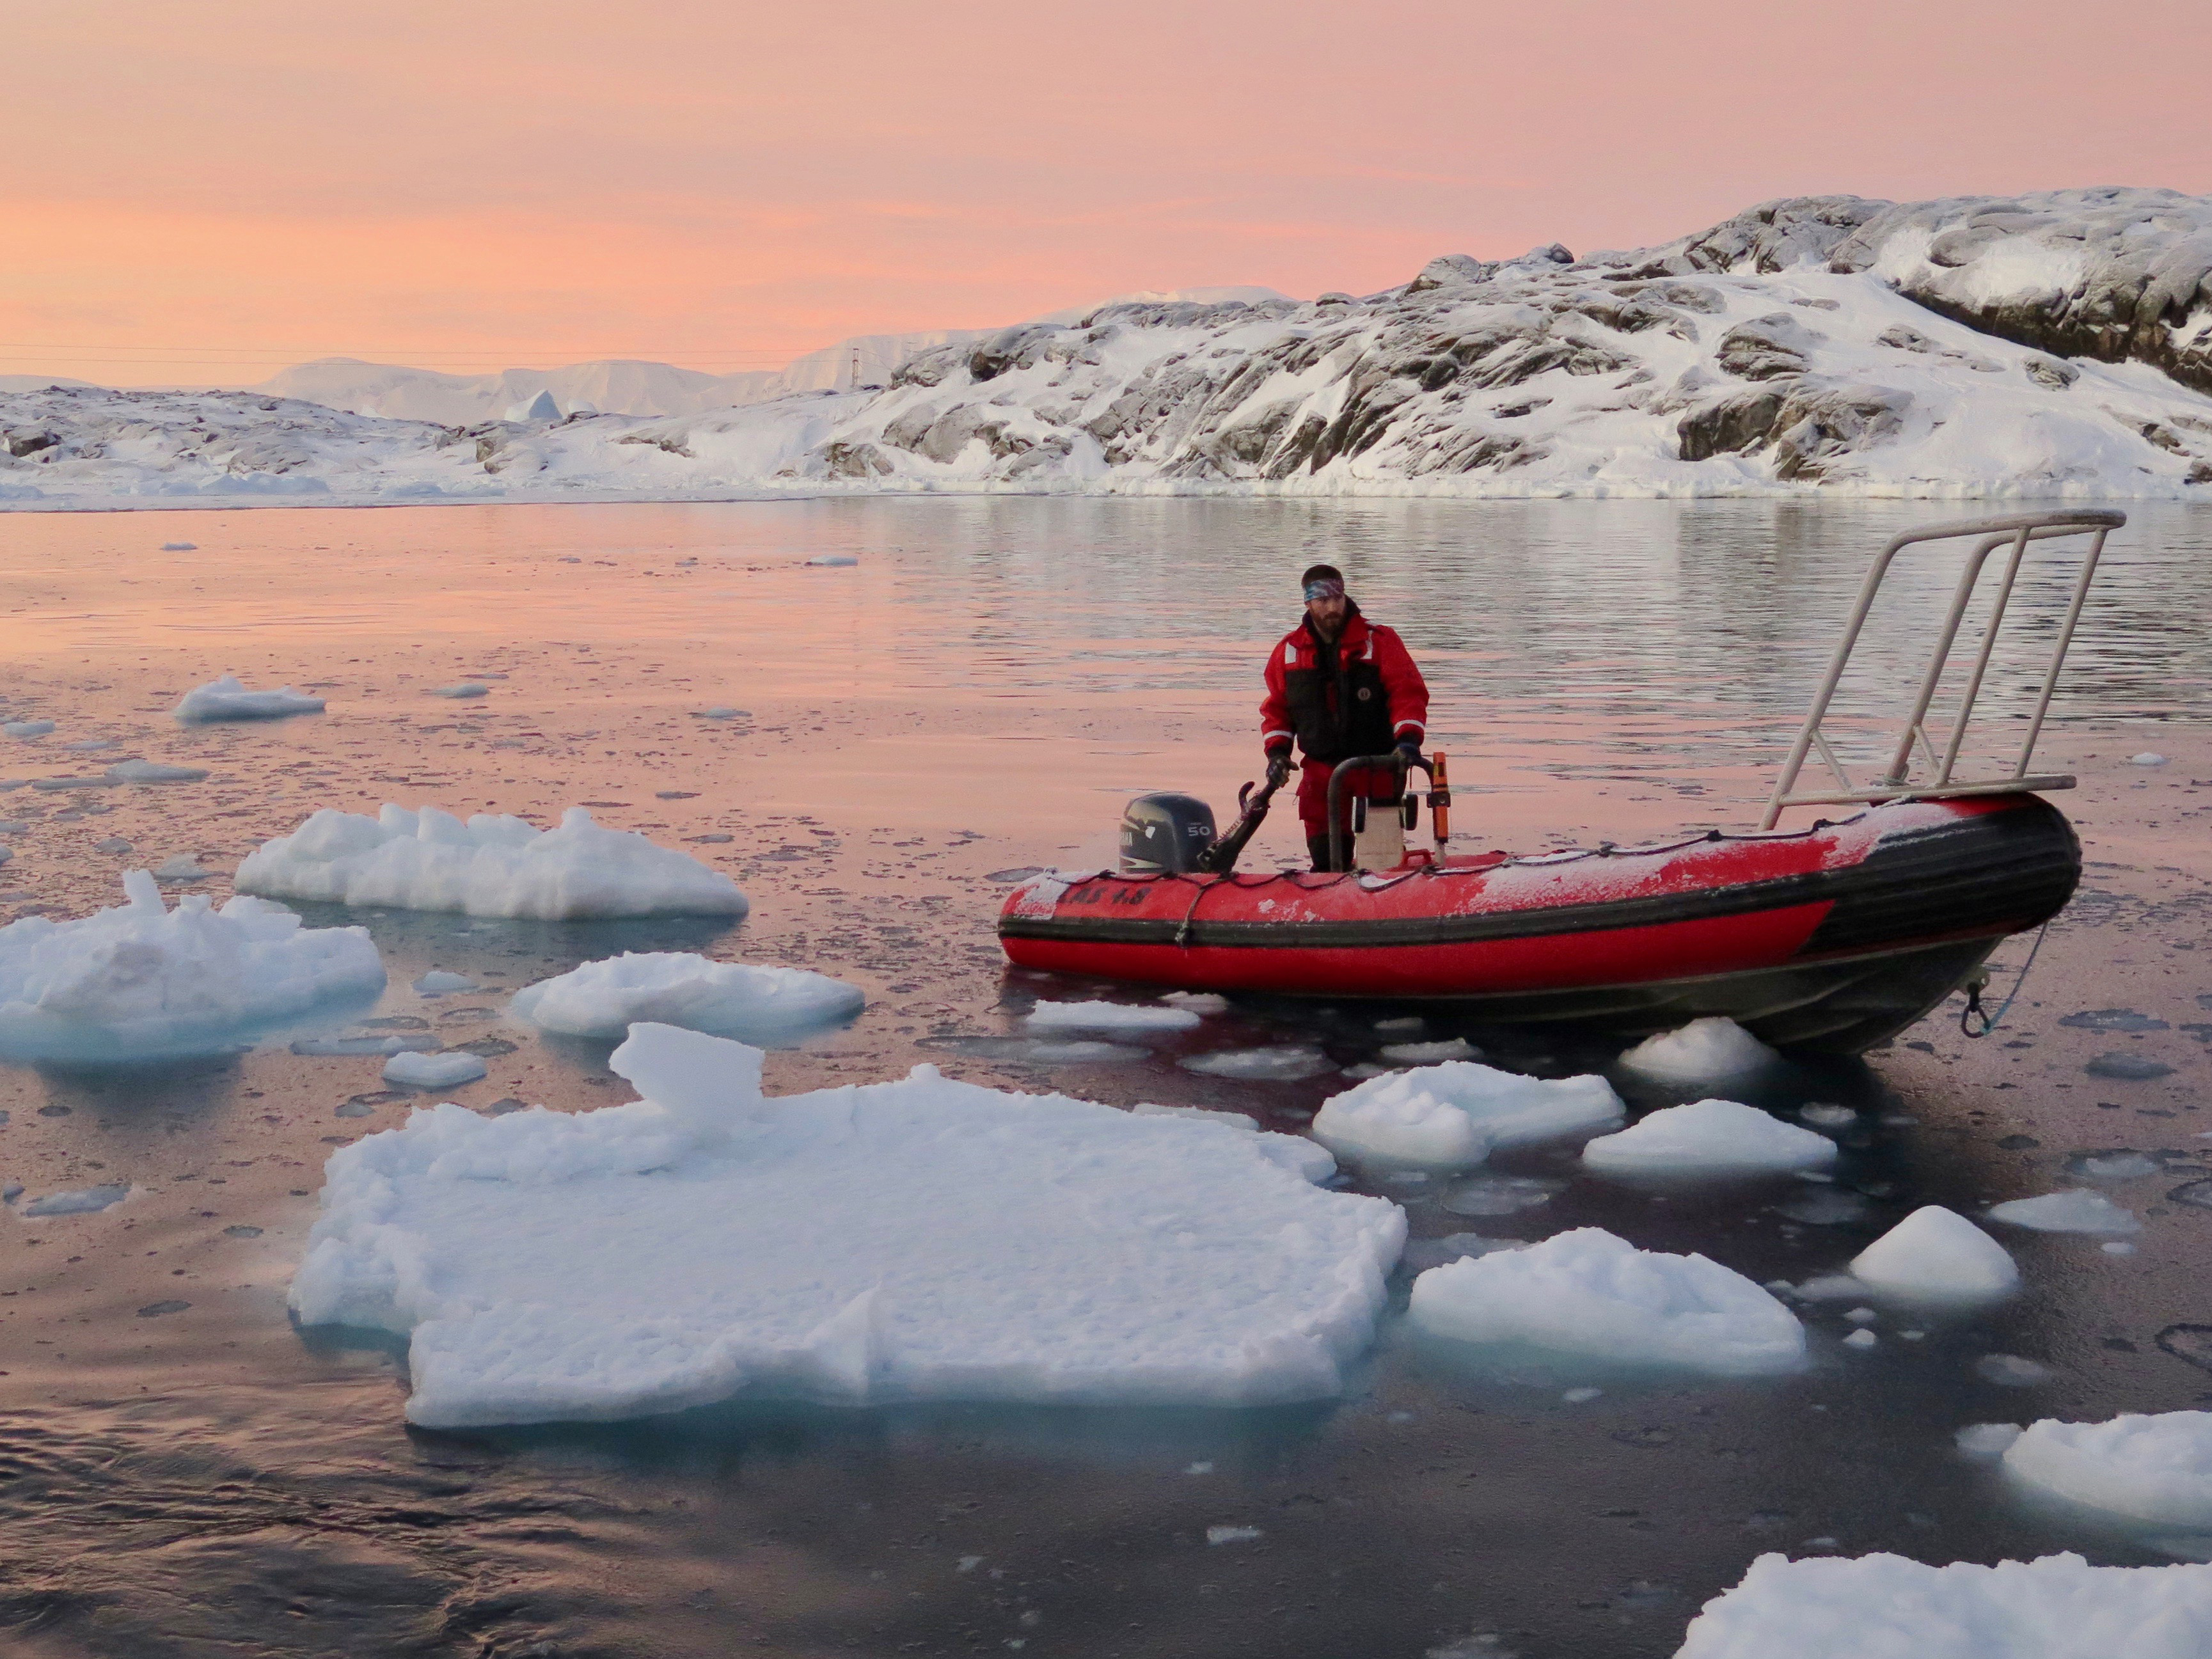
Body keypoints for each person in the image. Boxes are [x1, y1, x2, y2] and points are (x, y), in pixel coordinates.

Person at [1259, 563, 1430, 872]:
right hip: (1321, 771)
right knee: (1325, 861)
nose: (1332, 607)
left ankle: (1386, 902)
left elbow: (1408, 694)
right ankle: (1331, 896)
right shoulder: (1289, 652)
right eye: (1323, 601)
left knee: (1383, 861)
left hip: (1376, 765)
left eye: (1337, 598)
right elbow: (1277, 712)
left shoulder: (1379, 643)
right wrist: (1277, 755)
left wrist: (1407, 742)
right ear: (1308, 603)